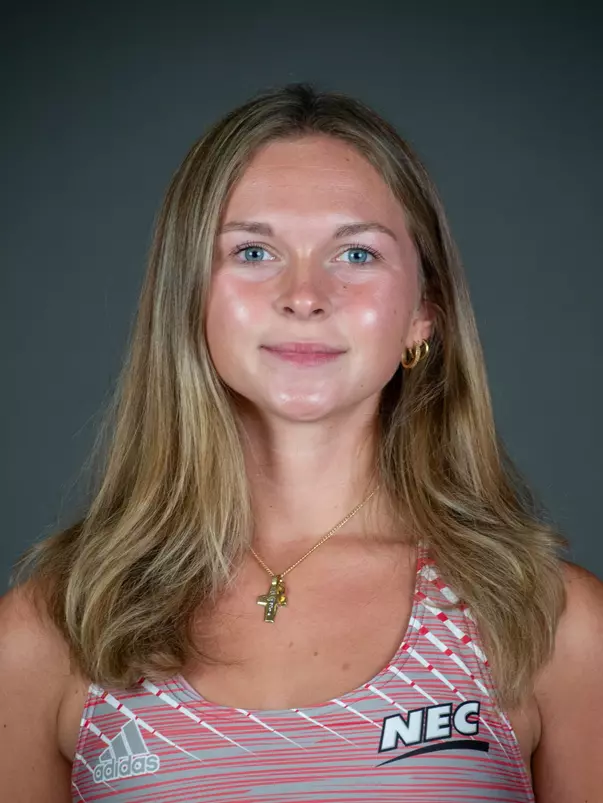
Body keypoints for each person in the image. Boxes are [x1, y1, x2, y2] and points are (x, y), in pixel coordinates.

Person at [1, 83, 601, 803]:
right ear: (188, 300)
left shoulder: (550, 622)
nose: (305, 294)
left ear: (423, 312)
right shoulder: (53, 626)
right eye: (253, 250)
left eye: (355, 254)